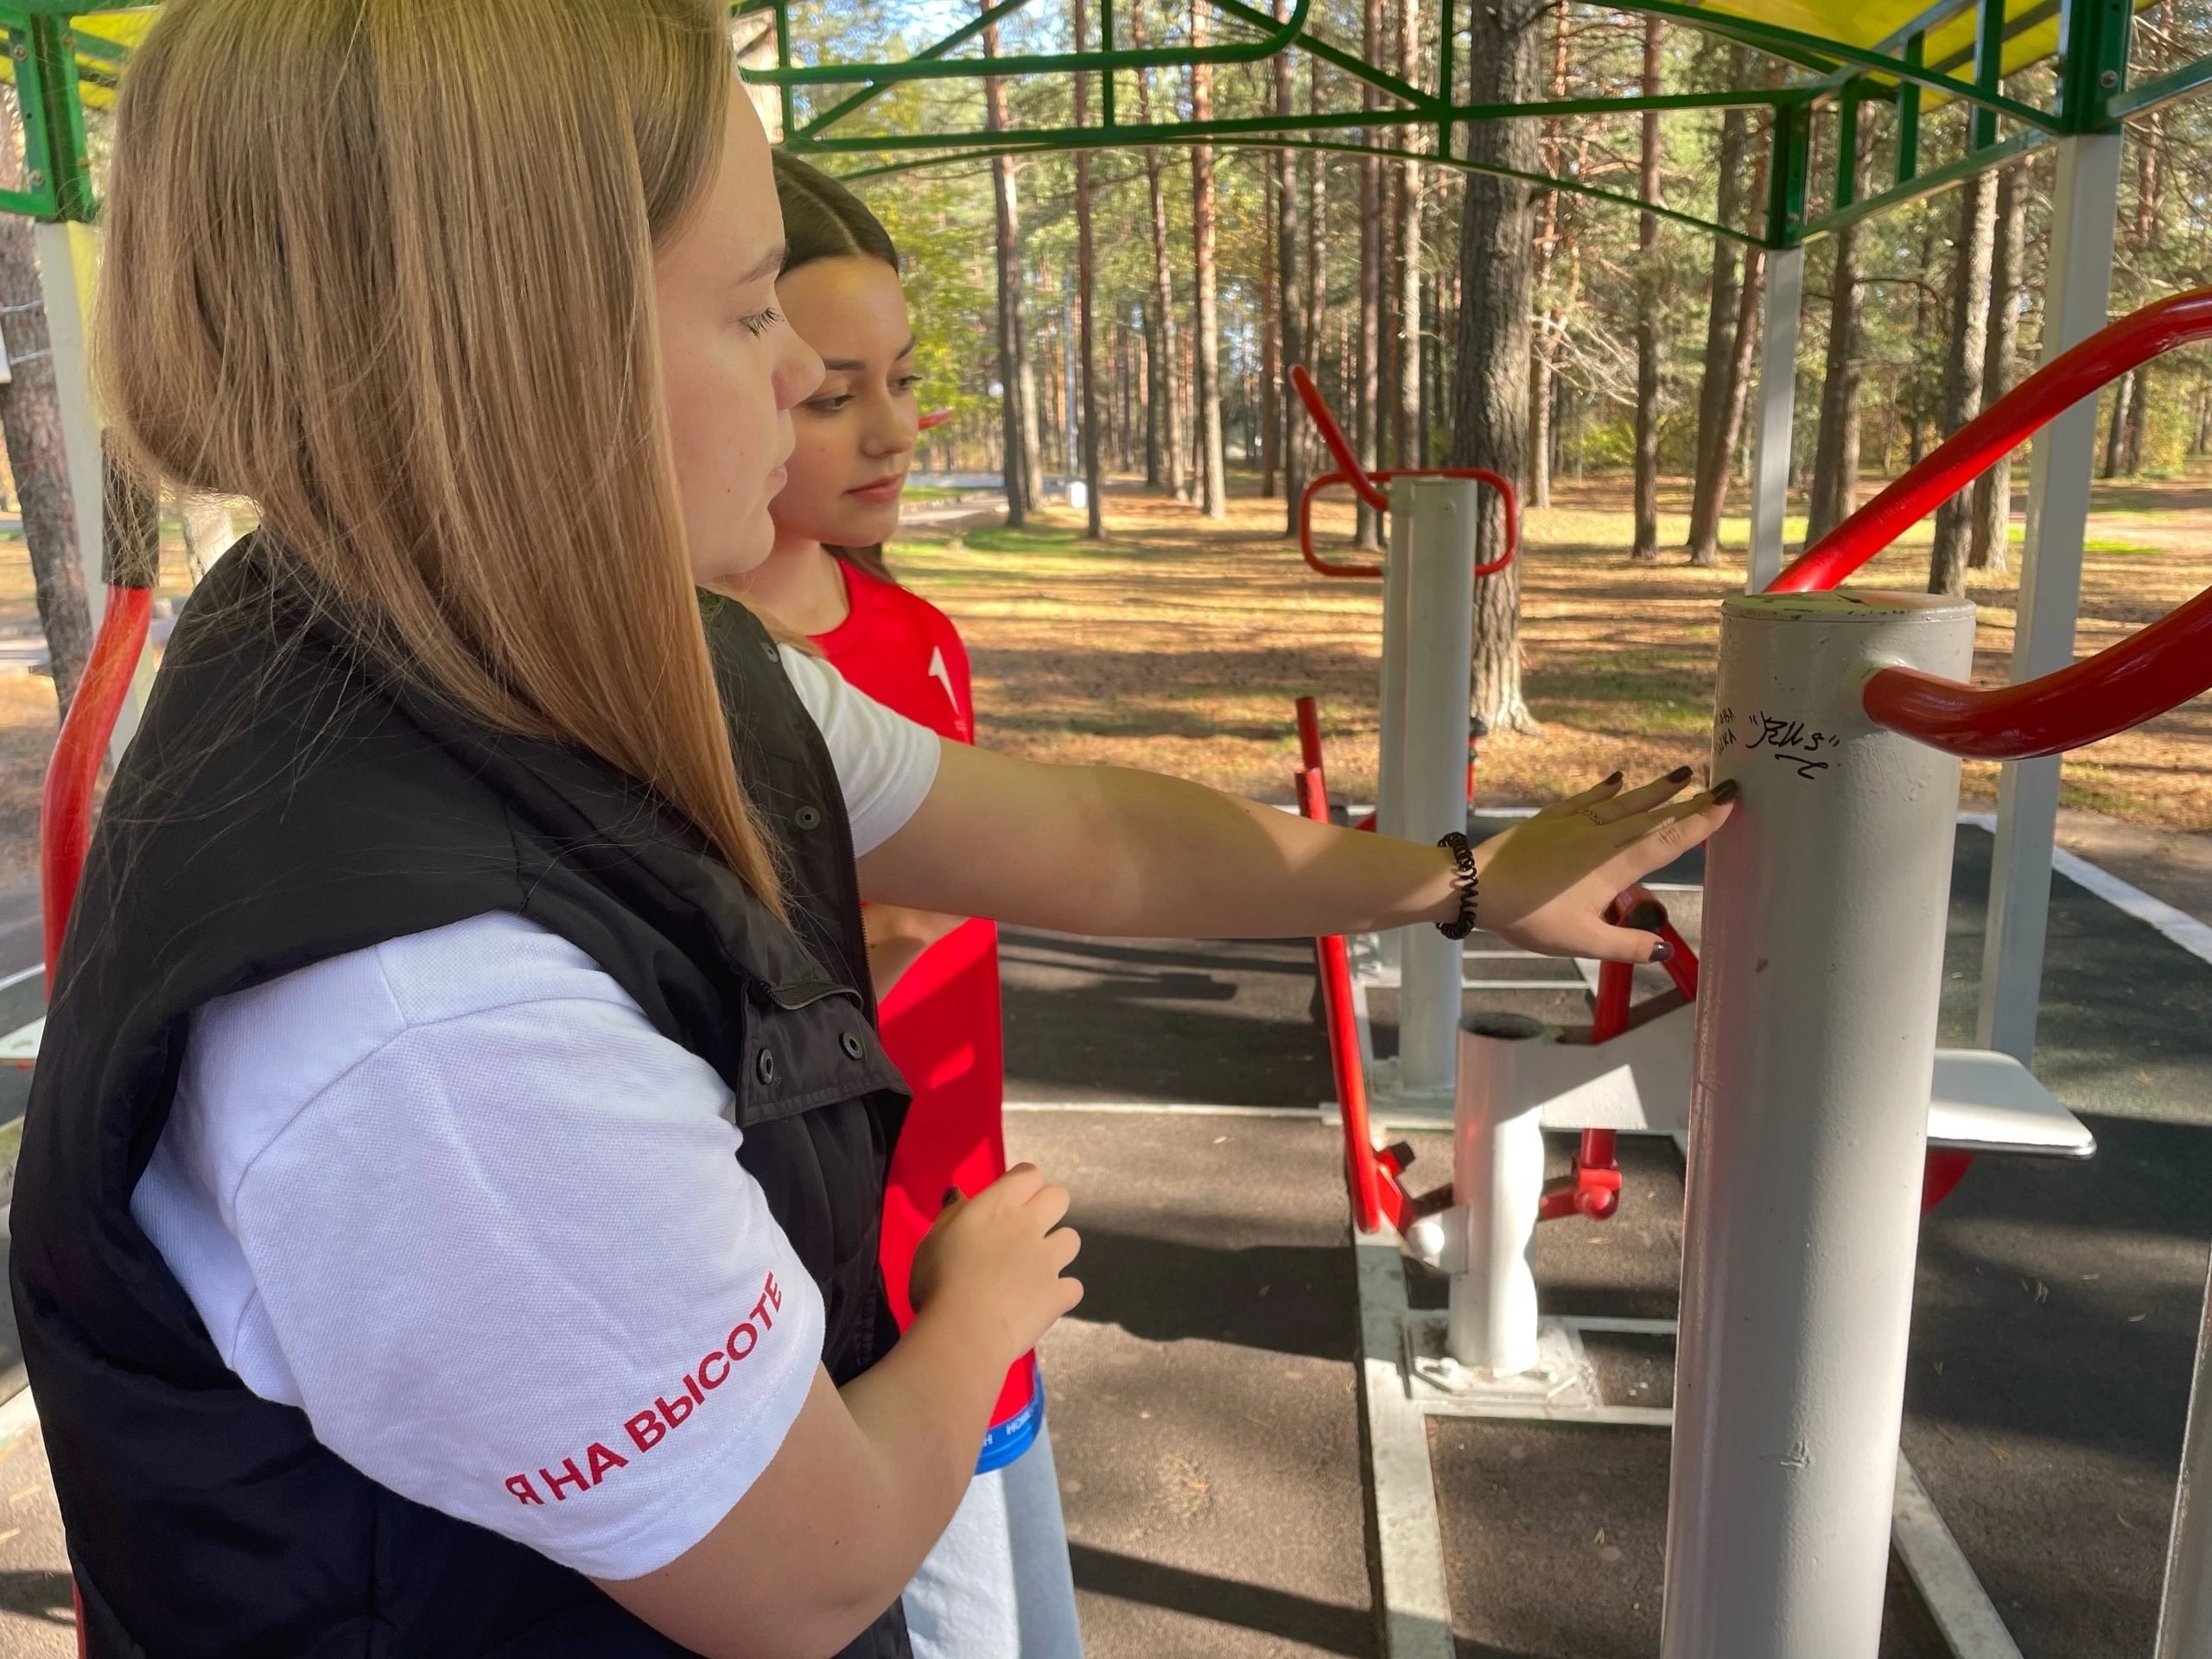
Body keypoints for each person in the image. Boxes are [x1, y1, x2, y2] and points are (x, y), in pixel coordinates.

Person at [11, 4, 1732, 1656]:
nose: (799, 387)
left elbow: (1074, 838)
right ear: (527, 346)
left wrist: (1451, 881)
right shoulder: (431, 1014)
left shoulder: (616, 655)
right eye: (755, 312)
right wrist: (976, 1299)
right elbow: (802, 1574)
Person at [735, 152, 1079, 1659]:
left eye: (905, 378)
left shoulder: (915, 632)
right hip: (825, 1299)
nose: (895, 430)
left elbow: (1051, 860)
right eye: (831, 394)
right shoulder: (674, 674)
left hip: (963, 1232)